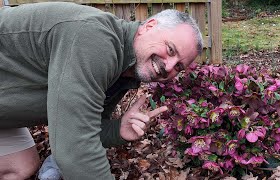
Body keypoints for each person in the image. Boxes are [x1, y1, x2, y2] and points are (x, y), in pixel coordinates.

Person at [0, 2, 203, 179]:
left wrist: (117, 130)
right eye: (170, 50)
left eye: (179, 67)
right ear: (148, 27)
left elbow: (86, 129)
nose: (169, 67)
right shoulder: (96, 40)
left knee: (21, 166)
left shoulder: (126, 71)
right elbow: (75, 150)